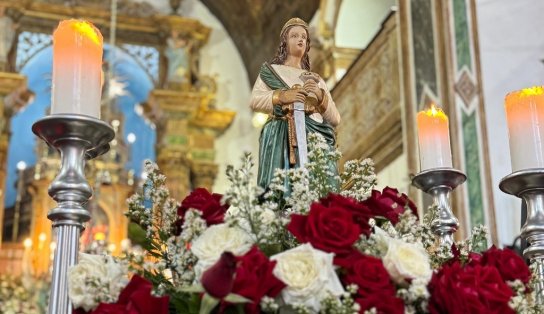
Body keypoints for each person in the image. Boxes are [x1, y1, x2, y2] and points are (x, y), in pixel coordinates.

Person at [249, 17, 341, 189]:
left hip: (315, 136)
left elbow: (335, 118)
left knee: (320, 188)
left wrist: (320, 96)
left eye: (304, 37)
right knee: (283, 191)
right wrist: (283, 96)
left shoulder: (316, 79)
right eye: (294, 36)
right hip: (282, 135)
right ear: (285, 41)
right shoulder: (272, 72)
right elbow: (254, 101)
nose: (300, 39)